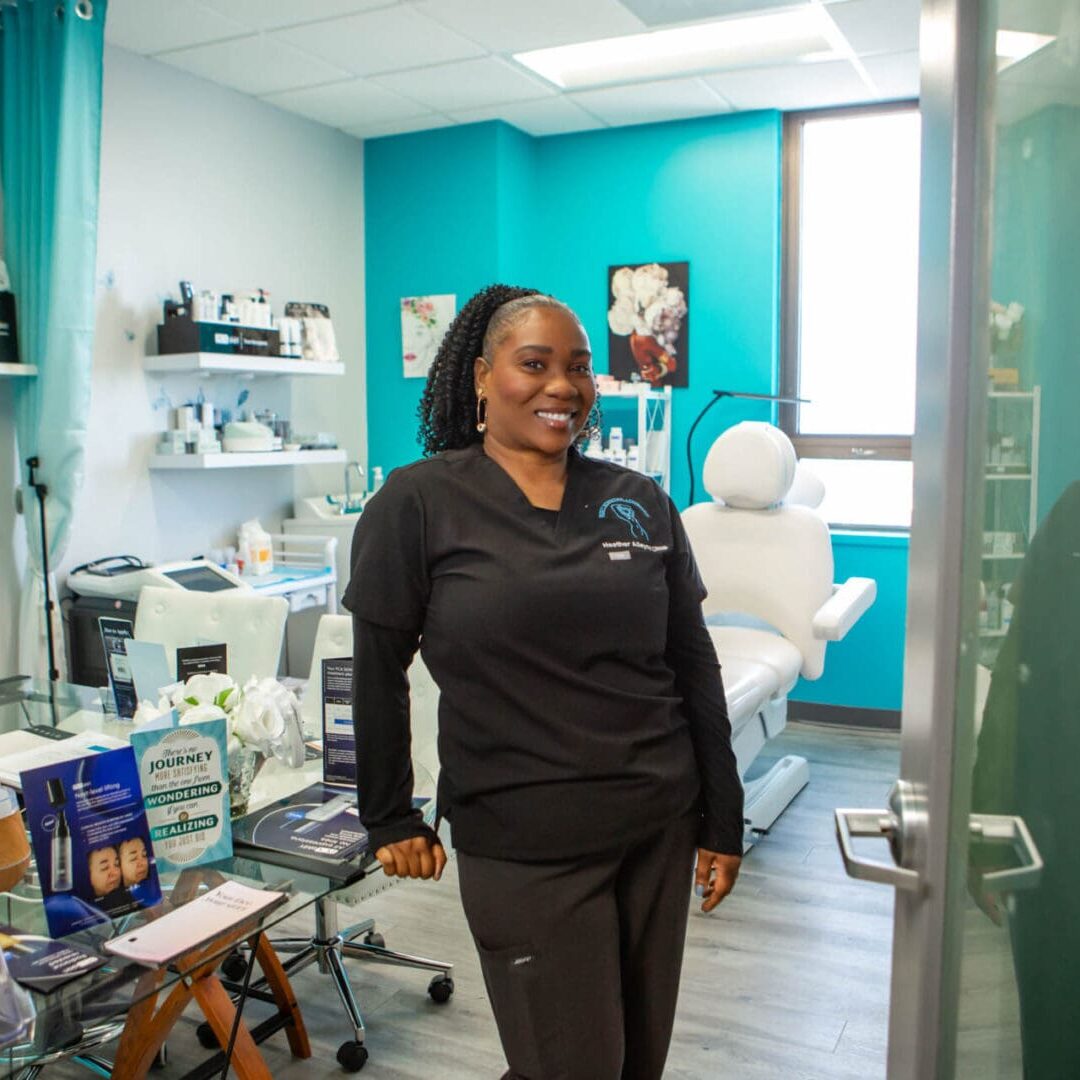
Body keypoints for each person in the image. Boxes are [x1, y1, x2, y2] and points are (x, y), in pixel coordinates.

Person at [343, 285, 743, 1079]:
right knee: (568, 1062)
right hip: (524, 843)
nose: (563, 386)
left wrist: (721, 816)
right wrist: (389, 817)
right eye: (535, 364)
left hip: (655, 823)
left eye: (580, 369)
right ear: (483, 377)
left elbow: (691, 663)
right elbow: (376, 670)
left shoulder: (639, 501)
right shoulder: (418, 503)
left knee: (636, 1063)